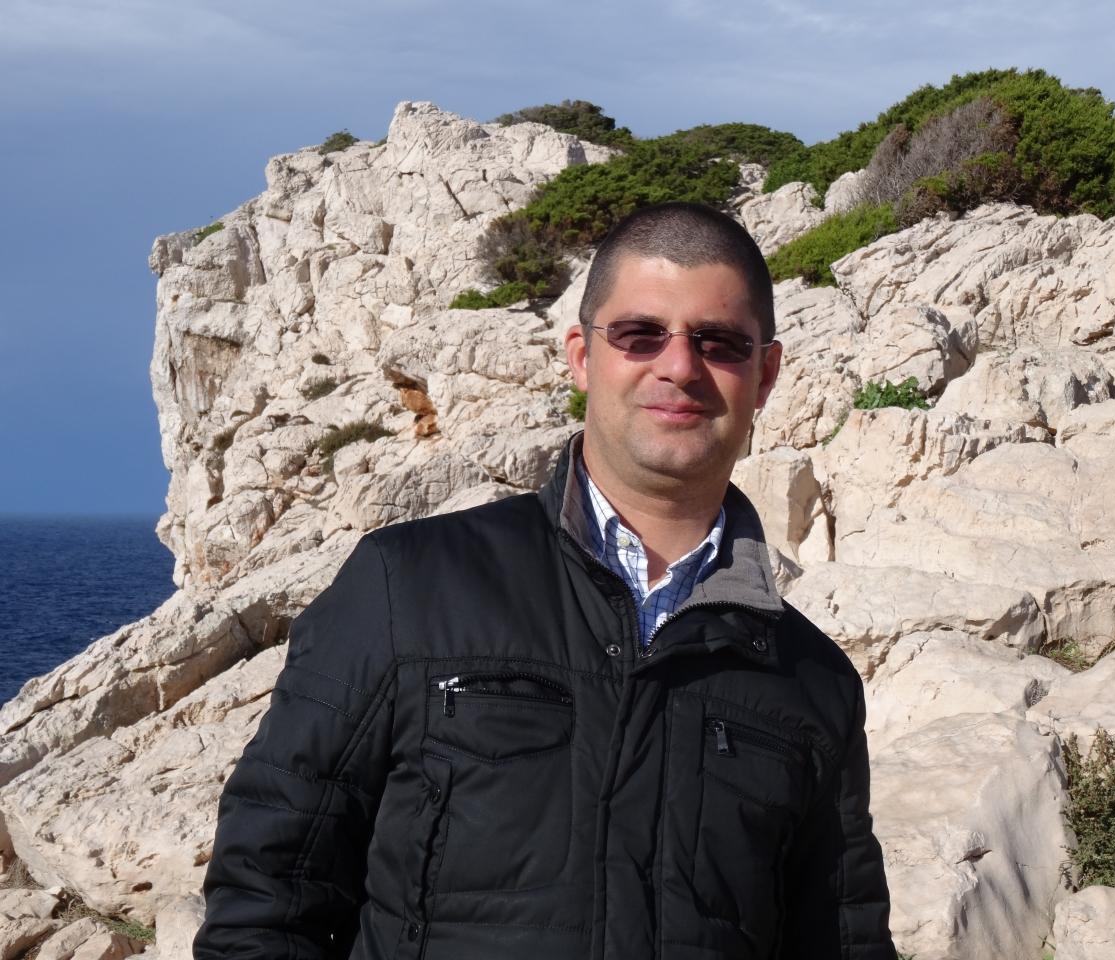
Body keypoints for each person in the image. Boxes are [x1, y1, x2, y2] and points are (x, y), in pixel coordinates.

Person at [194, 201, 895, 960]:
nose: (680, 366)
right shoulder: (409, 586)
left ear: (765, 375)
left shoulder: (814, 683)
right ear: (582, 357)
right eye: (641, 334)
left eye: (719, 343)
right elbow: (266, 893)